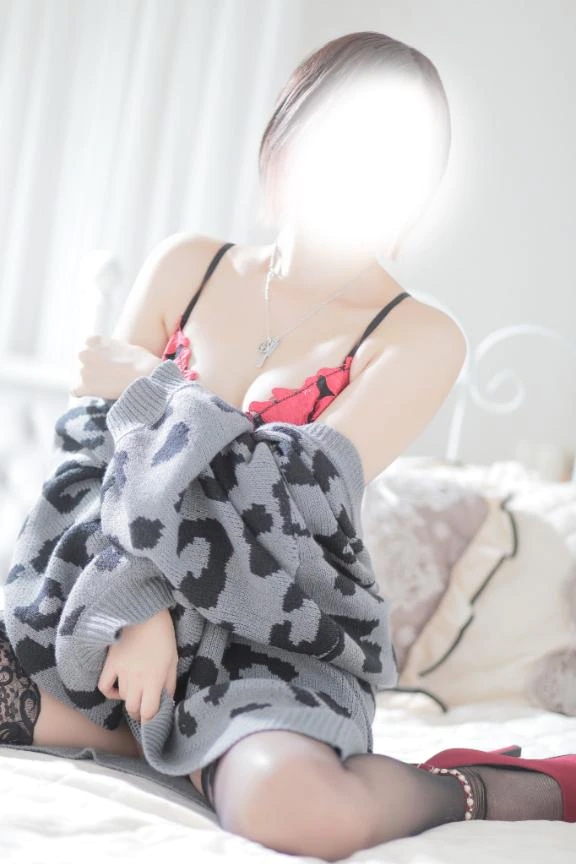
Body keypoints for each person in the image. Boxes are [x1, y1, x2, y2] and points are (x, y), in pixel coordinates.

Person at [2, 30, 573, 862]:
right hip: (107, 601)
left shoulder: (417, 337)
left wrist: (154, 387)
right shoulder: (188, 267)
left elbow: (286, 499)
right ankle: (167, 743)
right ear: (286, 138)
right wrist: (137, 603)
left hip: (271, 634)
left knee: (298, 812)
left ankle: (488, 785)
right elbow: (91, 466)